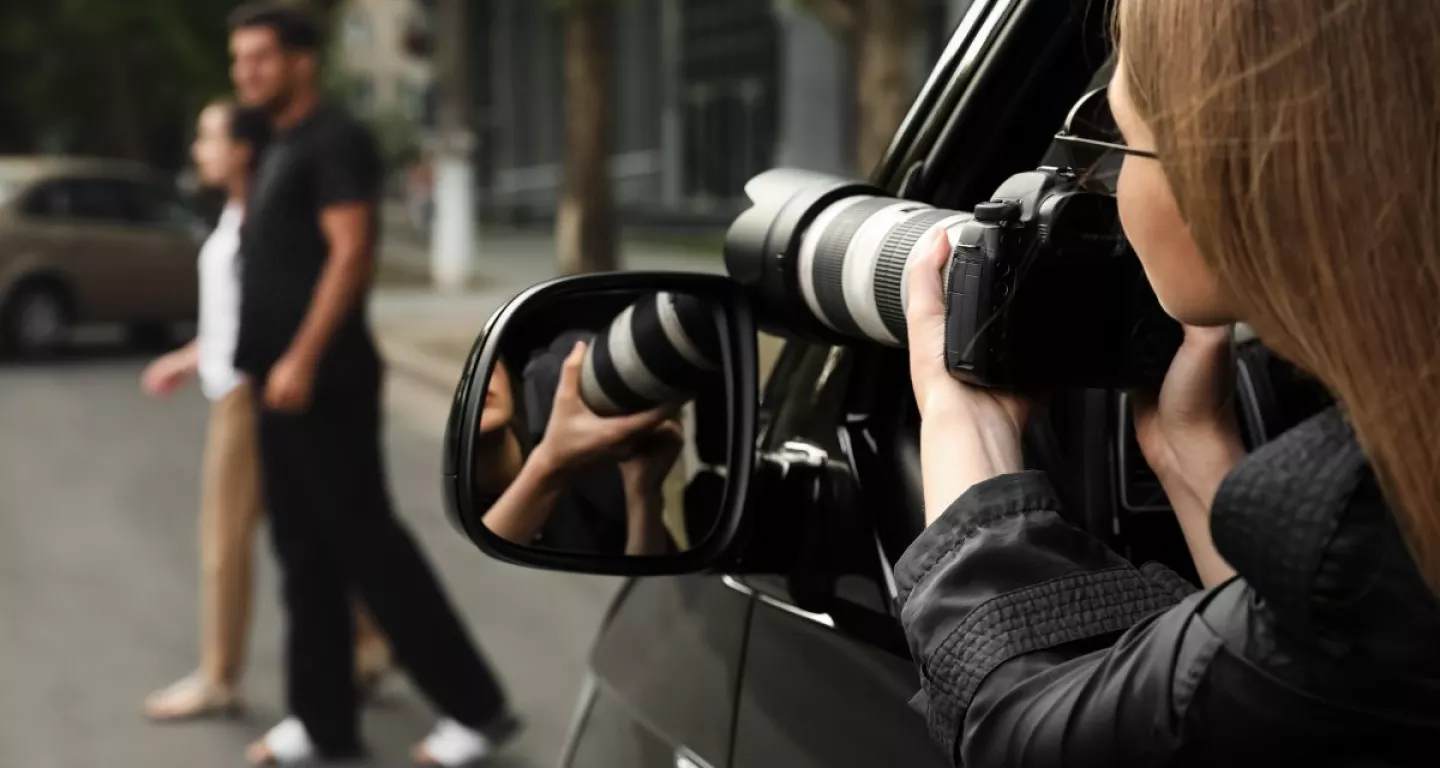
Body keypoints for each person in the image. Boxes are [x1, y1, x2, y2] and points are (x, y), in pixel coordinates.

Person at [896, 2, 1440, 765]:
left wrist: (969, 432)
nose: (1109, 185)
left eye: (1120, 141)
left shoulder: (1370, 545)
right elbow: (1297, 696)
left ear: (1233, 173)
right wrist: (1191, 449)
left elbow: (1020, 733)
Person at [226, 3, 516, 764]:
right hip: (276, 386)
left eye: (259, 57)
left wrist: (303, 357)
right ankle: (322, 722)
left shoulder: (335, 140)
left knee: (369, 548)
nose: (245, 72)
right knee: (302, 553)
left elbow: (350, 254)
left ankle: (475, 711)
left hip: (325, 384)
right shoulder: (276, 144)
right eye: (239, 59)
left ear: (302, 62)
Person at [139, 100, 392, 722]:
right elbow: (234, 316)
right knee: (322, 527)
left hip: (253, 392)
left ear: (243, 150)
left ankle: (220, 676)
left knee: (226, 541)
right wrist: (189, 355)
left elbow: (287, 303)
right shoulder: (236, 215)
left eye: (208, 137)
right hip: (240, 382)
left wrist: (295, 365)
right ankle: (375, 641)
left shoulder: (273, 218)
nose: (198, 150)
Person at [475, 340, 682, 556]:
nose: (479, 375)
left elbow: (645, 578)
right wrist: (552, 462)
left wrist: (643, 493)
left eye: (484, 355)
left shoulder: (591, 471)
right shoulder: (459, 514)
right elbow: (475, 565)